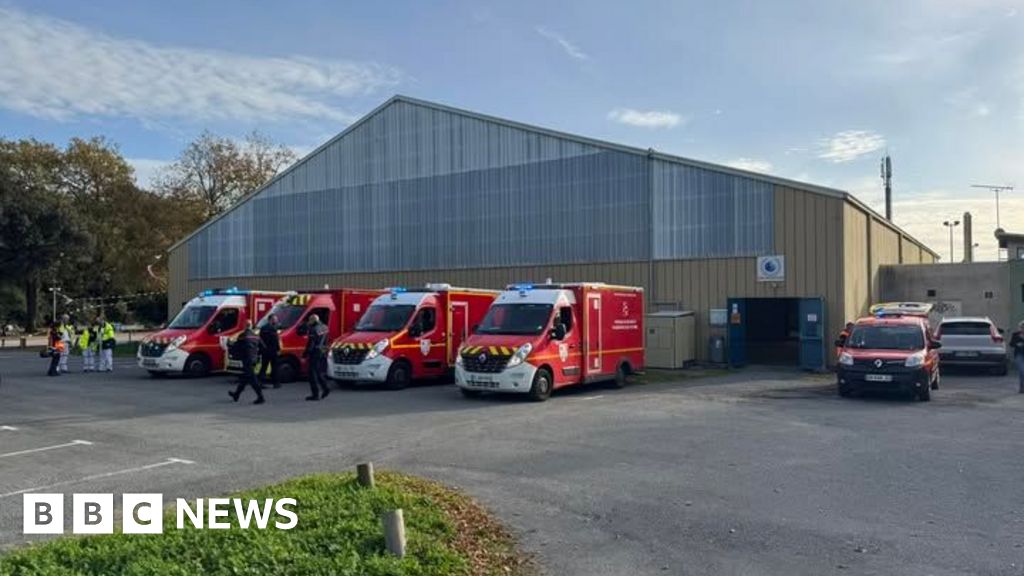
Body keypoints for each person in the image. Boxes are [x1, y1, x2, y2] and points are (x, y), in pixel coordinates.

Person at [229, 322, 265, 404]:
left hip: (246, 359)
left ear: (244, 326)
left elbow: (236, 347)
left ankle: (261, 397)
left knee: (253, 379)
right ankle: (236, 394)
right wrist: (256, 354)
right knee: (245, 377)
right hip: (254, 360)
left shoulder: (243, 336)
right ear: (251, 327)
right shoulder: (256, 336)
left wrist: (232, 349)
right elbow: (263, 347)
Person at [303, 314, 330, 401]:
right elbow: (326, 340)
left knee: (311, 374)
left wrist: (305, 354)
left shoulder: (313, 329)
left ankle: (315, 394)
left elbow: (311, 343)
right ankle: (325, 388)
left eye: (310, 320)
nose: (309, 322)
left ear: (313, 320)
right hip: (322, 351)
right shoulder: (325, 327)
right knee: (318, 372)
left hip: (314, 352)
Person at [258, 314, 282, 389]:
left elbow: (260, 340)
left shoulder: (263, 328)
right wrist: (278, 349)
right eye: (275, 319)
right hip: (272, 350)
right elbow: (275, 340)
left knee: (263, 367)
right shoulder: (273, 328)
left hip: (265, 350)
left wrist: (261, 349)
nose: (276, 321)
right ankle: (276, 383)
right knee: (274, 367)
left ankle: (260, 383)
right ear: (271, 320)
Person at [1010, 321, 1024, 394]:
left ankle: (1022, 388)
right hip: (1019, 355)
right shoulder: (1015, 334)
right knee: (1022, 370)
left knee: (1022, 373)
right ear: (1020, 327)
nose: (1023, 328)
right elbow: (1011, 344)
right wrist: (1017, 344)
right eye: (1022, 327)